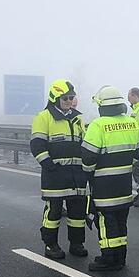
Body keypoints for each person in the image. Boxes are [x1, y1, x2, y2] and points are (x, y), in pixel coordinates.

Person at [81, 86, 139, 271]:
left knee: (106, 222)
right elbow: (137, 153)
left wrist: (89, 174)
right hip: (124, 183)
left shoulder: (98, 125)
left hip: (104, 185)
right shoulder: (132, 123)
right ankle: (120, 256)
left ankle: (108, 258)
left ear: (101, 105)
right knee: (121, 220)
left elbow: (88, 157)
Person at [30, 80, 89, 259]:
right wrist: (49, 165)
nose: (69, 101)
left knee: (77, 213)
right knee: (54, 212)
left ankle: (77, 244)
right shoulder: (44, 117)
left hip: (77, 174)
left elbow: (85, 143)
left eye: (72, 97)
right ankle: (50, 244)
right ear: (55, 98)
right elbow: (37, 145)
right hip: (55, 174)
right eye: (65, 98)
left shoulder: (78, 118)